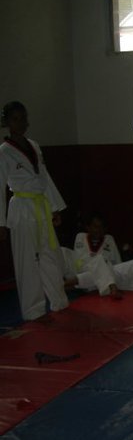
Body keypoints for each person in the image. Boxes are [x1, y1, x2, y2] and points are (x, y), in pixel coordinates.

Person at [0, 101, 69, 321]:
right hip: (21, 207)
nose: (21, 123)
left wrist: (55, 207)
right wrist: (1, 223)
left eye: (23, 118)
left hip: (41, 206)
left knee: (50, 254)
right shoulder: (4, 152)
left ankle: (59, 300)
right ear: (6, 122)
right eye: (15, 119)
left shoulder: (34, 145)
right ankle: (33, 309)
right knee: (27, 260)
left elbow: (44, 178)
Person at [62, 212, 123, 298]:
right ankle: (67, 283)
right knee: (63, 251)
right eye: (95, 227)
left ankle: (67, 285)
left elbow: (118, 263)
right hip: (80, 269)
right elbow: (77, 258)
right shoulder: (80, 237)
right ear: (88, 227)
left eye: (101, 227)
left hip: (99, 274)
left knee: (100, 260)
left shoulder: (109, 240)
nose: (98, 230)